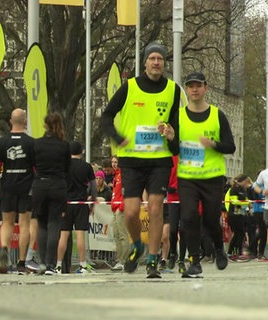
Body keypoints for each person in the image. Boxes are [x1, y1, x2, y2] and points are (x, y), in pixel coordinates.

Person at [101, 42, 180, 278]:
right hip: (132, 159)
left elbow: (177, 126)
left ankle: (153, 260)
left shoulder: (173, 90)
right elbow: (106, 116)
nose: (156, 62)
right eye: (152, 58)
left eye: (160, 59)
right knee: (132, 212)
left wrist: (172, 134)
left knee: (156, 209)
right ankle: (137, 245)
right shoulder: (130, 86)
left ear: (164, 63)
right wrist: (117, 137)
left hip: (159, 159)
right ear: (145, 62)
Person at [159, 71, 235, 277]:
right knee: (189, 216)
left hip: (212, 177)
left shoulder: (217, 115)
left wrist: (213, 144)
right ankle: (194, 261)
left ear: (205, 88)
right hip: (188, 176)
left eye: (198, 85)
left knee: (210, 220)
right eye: (190, 86)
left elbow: (231, 147)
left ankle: (219, 248)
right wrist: (171, 137)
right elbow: (174, 149)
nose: (194, 89)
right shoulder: (179, 115)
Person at [0, 108, 35, 274]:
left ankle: (4, 249)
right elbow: (36, 168)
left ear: (10, 121)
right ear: (24, 121)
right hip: (26, 186)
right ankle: (22, 261)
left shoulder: (3, 142)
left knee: (7, 223)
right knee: (24, 224)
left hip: (7, 185)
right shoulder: (31, 142)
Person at [30, 113, 71, 275]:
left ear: (45, 125)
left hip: (40, 184)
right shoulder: (64, 145)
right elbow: (68, 168)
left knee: (41, 224)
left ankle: (41, 262)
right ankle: (50, 264)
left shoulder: (37, 144)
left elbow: (33, 164)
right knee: (54, 224)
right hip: (58, 185)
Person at [56, 141, 97, 274]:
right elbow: (93, 186)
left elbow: (60, 183)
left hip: (66, 203)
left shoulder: (64, 166)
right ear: (82, 152)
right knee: (80, 235)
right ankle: (83, 265)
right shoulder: (87, 166)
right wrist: (93, 200)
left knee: (63, 235)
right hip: (81, 203)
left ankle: (58, 265)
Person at [109, 155, 129, 272]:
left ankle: (124, 260)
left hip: (121, 208)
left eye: (116, 162)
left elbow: (127, 191)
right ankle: (119, 259)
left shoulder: (124, 174)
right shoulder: (115, 176)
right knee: (116, 235)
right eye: (112, 162)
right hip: (115, 207)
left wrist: (122, 206)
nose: (114, 164)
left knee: (122, 234)